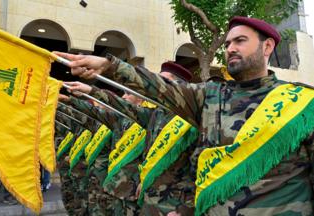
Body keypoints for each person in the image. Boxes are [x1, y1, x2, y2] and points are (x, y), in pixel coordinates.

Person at [55, 16, 314, 216]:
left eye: (240, 41)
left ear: (267, 46)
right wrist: (111, 66)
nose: (230, 49)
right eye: (227, 44)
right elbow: (161, 88)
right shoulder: (208, 96)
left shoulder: (301, 104)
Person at [66, 62, 198, 215]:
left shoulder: (192, 120)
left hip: (173, 206)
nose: (157, 87)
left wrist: (186, 209)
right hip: (148, 202)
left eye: (163, 82)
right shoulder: (156, 114)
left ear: (178, 87)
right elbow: (121, 106)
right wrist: (89, 90)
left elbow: (201, 169)